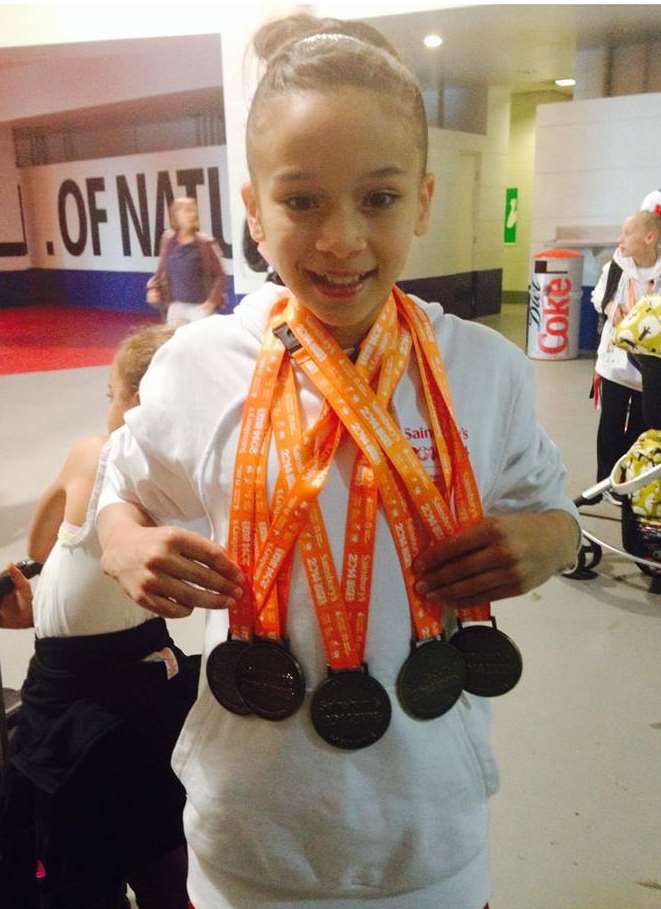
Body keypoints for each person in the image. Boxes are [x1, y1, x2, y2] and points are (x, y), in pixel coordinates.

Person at [97, 14, 579, 909]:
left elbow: (550, 505)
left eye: (380, 198)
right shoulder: (198, 367)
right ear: (252, 207)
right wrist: (122, 538)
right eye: (302, 200)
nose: (339, 240)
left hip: (428, 835)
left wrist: (551, 538)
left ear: (425, 200)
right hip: (252, 836)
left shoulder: (484, 371)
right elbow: (117, 485)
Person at [0, 324, 198, 909]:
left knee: (69, 863)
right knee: (162, 852)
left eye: (111, 392)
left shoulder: (95, 452)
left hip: (70, 703)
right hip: (148, 681)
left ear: (136, 399)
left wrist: (49, 578)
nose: (107, 405)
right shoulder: (191, 477)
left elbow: (37, 544)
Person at [591, 210, 661, 490]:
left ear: (649, 237)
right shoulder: (616, 267)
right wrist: (610, 307)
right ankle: (603, 484)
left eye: (627, 233)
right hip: (614, 363)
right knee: (610, 422)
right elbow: (598, 295)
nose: (620, 239)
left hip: (649, 368)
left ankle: (631, 482)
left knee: (642, 427)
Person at [146, 197, 226, 326]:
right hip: (175, 307)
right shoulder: (168, 240)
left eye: (194, 211)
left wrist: (211, 302)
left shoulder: (205, 243)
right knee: (175, 343)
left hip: (200, 308)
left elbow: (220, 275)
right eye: (187, 211)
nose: (192, 214)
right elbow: (161, 270)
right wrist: (153, 288)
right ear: (176, 215)